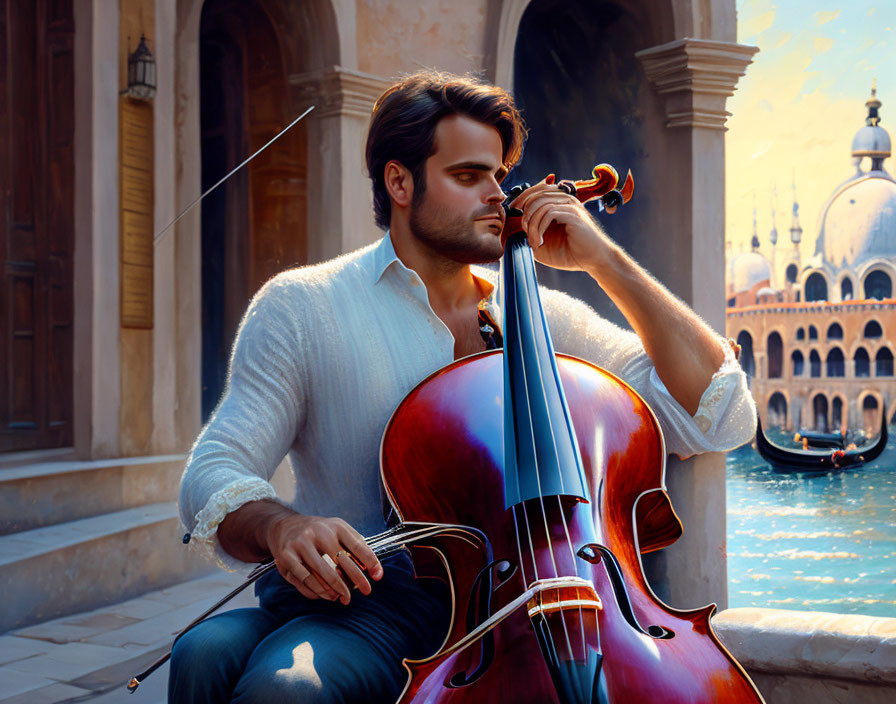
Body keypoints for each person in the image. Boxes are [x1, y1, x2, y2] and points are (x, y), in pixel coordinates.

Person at [170, 70, 757, 703]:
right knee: (200, 653)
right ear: (400, 182)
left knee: (282, 688)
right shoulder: (303, 306)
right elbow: (216, 466)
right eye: (469, 176)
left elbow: (719, 413)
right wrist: (283, 527)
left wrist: (602, 260)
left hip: (506, 614)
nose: (498, 196)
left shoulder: (541, 320)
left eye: (499, 176)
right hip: (363, 604)